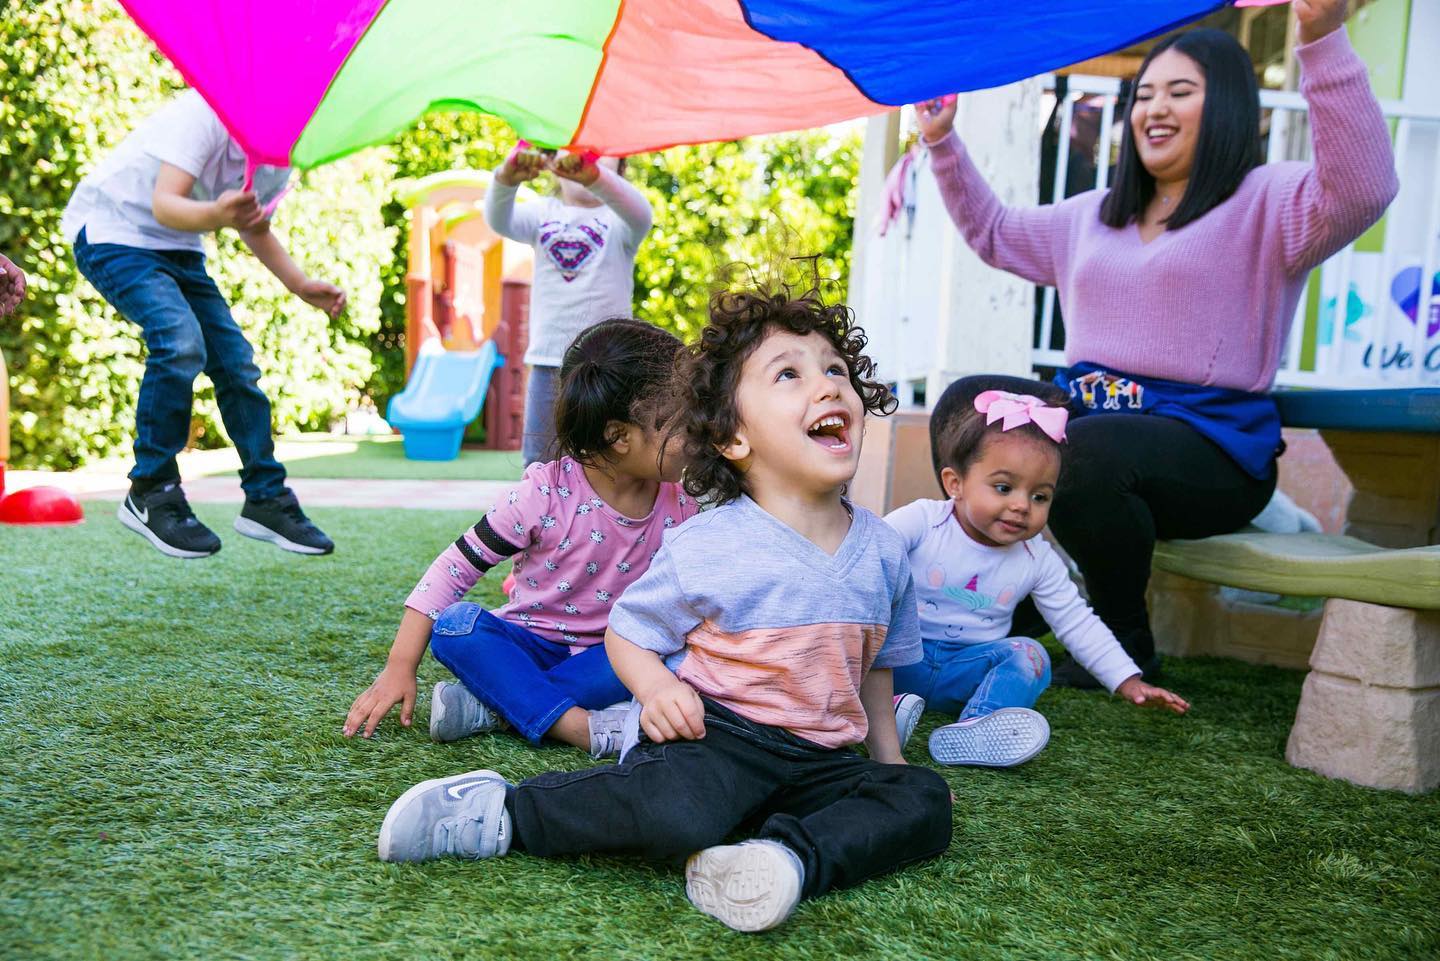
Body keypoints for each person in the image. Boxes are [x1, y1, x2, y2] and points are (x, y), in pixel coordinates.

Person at [372, 287, 953, 933]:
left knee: (921, 799)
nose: (827, 386)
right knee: (679, 814)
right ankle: (503, 810)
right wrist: (657, 688)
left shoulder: (883, 549)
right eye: (790, 372)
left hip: (824, 756)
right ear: (730, 435)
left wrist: (889, 758)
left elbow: (877, 671)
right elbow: (628, 629)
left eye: (836, 370)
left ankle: (780, 861)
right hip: (718, 737)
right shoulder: (703, 538)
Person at [913, 0, 1397, 686]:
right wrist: (941, 143)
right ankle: (1000, 593)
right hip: (1095, 420)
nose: (1154, 109)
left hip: (1211, 447)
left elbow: (1363, 190)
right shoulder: (1095, 215)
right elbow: (994, 232)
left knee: (1088, 452)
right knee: (969, 405)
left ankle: (1123, 642)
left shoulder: (1268, 201)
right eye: (1145, 94)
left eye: (1180, 92)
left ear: (1225, 105)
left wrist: (1321, 39)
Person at [344, 318, 697, 757]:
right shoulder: (544, 493)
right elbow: (453, 568)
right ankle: (580, 728)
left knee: (669, 648)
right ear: (617, 436)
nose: (698, 435)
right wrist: (399, 667)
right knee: (456, 627)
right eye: (683, 425)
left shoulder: (683, 500)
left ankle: (495, 706)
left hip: (614, 656)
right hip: (528, 644)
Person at [63, 90, 344, 559]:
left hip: (178, 250)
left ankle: (265, 497)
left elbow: (254, 226)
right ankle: (151, 491)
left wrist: (300, 284)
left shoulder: (280, 155)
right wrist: (216, 214)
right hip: (114, 231)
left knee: (237, 365)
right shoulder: (207, 112)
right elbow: (165, 204)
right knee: (179, 342)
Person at [886, 375, 1190, 768]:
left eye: (1039, 496)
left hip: (966, 672)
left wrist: (1128, 679)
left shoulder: (1037, 558)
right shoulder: (924, 521)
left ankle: (981, 725)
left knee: (1030, 655)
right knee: (858, 625)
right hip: (896, 660)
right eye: (1003, 487)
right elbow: (868, 557)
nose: (1021, 506)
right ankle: (882, 711)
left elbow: (1077, 622)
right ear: (955, 483)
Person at [485, 144, 654, 466]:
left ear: (620, 165)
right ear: (551, 162)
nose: (584, 158)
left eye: (598, 152)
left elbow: (640, 212)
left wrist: (594, 178)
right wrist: (506, 178)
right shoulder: (541, 213)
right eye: (575, 150)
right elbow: (499, 220)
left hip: (608, 367)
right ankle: (540, 516)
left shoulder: (618, 221)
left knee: (608, 458)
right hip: (549, 363)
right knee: (540, 460)